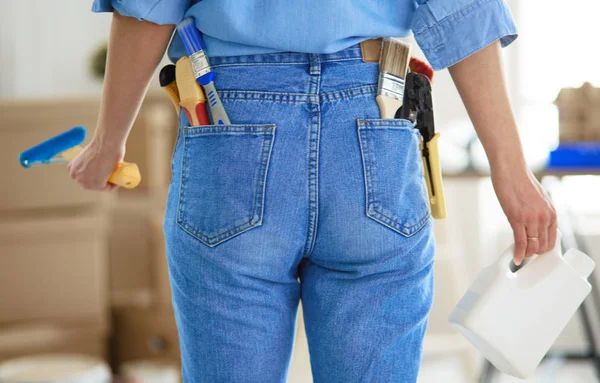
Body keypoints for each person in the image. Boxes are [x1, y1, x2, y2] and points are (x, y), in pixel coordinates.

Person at [70, 1, 557, 381]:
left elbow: (147, 10)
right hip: (372, 118)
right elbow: (462, 10)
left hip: (232, 122)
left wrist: (108, 144)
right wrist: (511, 171)